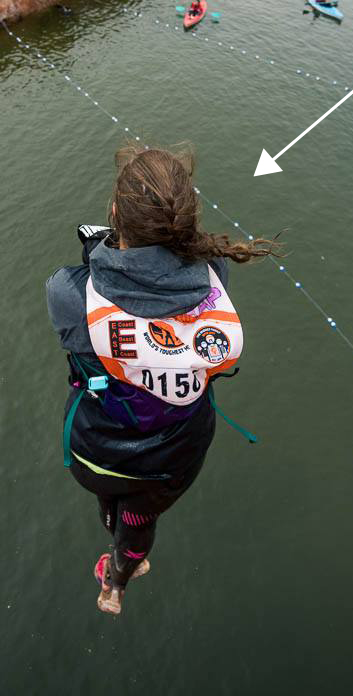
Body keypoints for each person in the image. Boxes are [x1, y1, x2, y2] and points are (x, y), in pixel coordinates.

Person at [46, 147, 275, 615]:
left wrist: (100, 250)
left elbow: (91, 296)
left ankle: (118, 554)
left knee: (113, 499)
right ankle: (118, 577)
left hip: (101, 450)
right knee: (141, 514)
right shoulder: (218, 277)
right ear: (188, 222)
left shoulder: (69, 295)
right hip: (178, 452)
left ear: (114, 215)